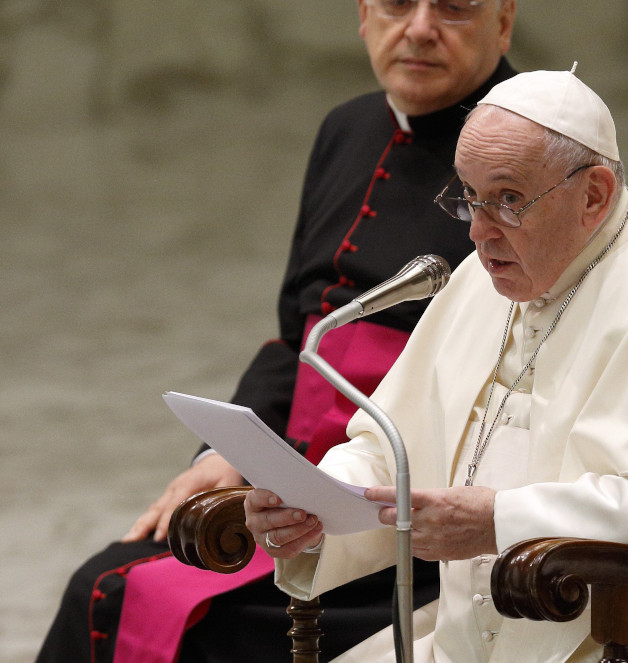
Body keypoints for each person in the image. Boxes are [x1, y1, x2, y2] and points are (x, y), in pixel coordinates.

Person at [245, 68, 628, 662]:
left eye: (509, 200)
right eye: (469, 198)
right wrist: (315, 503)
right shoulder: (486, 279)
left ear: (594, 194)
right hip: (480, 634)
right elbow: (391, 446)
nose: (479, 233)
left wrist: (501, 522)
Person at [36, 1, 516, 662]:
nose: (420, 27)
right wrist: (222, 454)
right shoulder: (347, 128)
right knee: (98, 585)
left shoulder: (521, 152)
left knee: (167, 612)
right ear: (363, 14)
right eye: (398, 3)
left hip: (403, 514)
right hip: (288, 474)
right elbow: (299, 333)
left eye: (454, 6)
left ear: (505, 20)